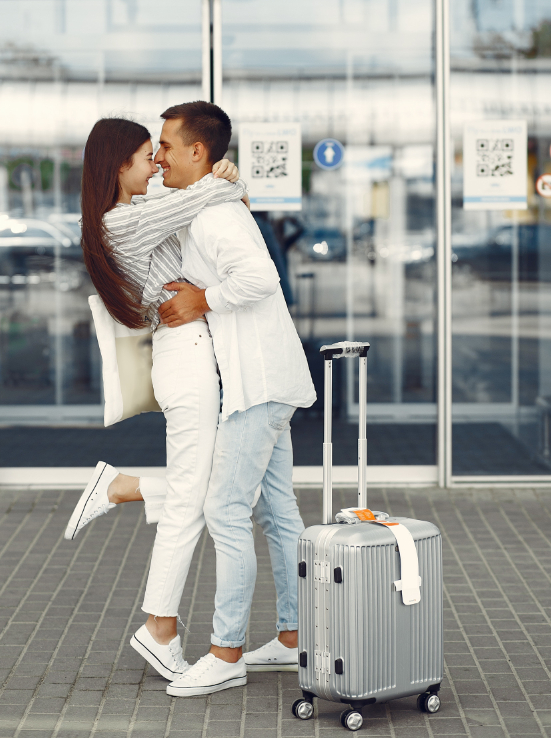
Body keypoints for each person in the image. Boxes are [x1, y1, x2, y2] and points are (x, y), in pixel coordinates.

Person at [63, 115, 246, 683]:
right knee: (196, 499)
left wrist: (222, 180)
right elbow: (217, 191)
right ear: (121, 166)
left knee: (210, 490)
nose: (158, 164)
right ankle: (159, 627)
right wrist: (227, 176)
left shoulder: (126, 218)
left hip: (186, 353)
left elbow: (205, 199)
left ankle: (126, 488)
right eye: (149, 156)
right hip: (185, 354)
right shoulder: (124, 222)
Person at [149, 101, 316, 698]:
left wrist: (202, 300)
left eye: (167, 145)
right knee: (276, 514)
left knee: (225, 511)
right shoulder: (213, 203)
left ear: (199, 152)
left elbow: (261, 280)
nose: (157, 154)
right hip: (268, 379)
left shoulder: (216, 215)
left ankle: (226, 653)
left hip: (256, 385)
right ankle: (298, 638)